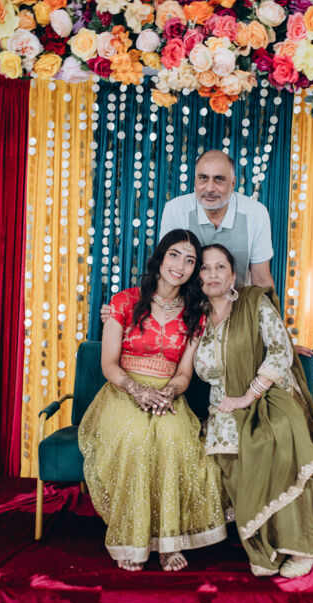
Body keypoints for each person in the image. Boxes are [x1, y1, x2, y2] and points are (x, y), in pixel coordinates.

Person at [194, 244, 313, 578]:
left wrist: (248, 396)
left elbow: (280, 350)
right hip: (224, 406)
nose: (212, 274)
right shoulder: (196, 318)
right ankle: (267, 541)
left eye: (220, 267)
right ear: (197, 276)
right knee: (229, 448)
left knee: (276, 437)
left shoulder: (253, 302)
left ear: (233, 274)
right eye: (204, 267)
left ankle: (302, 544)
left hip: (270, 393)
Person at [78, 230, 227, 572]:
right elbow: (108, 364)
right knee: (135, 438)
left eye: (189, 260)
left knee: (175, 439)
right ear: (160, 258)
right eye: (174, 255)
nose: (180, 265)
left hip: (167, 393)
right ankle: (133, 539)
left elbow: (185, 373)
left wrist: (167, 393)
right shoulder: (124, 302)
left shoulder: (196, 314)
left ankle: (167, 543)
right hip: (122, 391)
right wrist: (138, 391)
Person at [160, 149, 274, 288]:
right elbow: (165, 271)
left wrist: (267, 304)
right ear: (195, 181)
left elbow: (261, 279)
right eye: (203, 178)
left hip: (238, 299)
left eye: (219, 179)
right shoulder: (175, 210)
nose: (209, 188)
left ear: (233, 183)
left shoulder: (256, 213)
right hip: (187, 299)